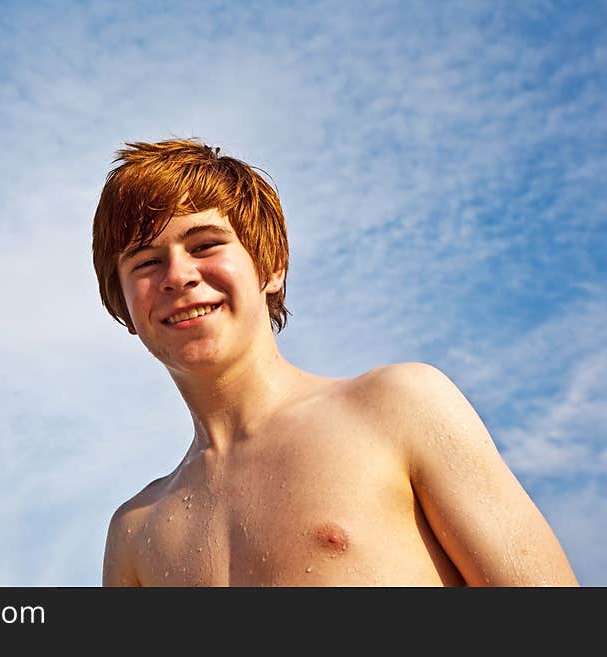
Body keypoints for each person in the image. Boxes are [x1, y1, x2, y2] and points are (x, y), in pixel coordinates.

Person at [92, 138, 578, 586]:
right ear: (124, 306)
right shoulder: (136, 533)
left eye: (204, 245)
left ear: (270, 267)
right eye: (146, 262)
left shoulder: (396, 409)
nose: (178, 276)